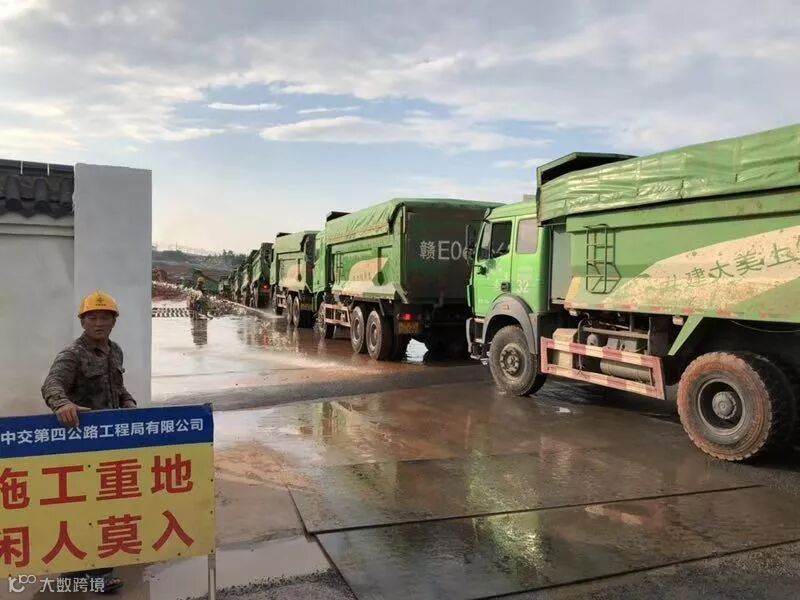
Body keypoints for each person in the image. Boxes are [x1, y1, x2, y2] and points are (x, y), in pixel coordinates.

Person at [41, 290, 136, 593]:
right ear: (82, 322)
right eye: (92, 317)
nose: (99, 323)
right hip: (79, 445)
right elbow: (52, 384)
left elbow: (117, 387)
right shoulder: (73, 354)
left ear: (113, 321)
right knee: (82, 508)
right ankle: (90, 573)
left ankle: (86, 571)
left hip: (111, 444)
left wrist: (128, 401)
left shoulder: (115, 351)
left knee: (108, 505)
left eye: (105, 317)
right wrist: (62, 404)